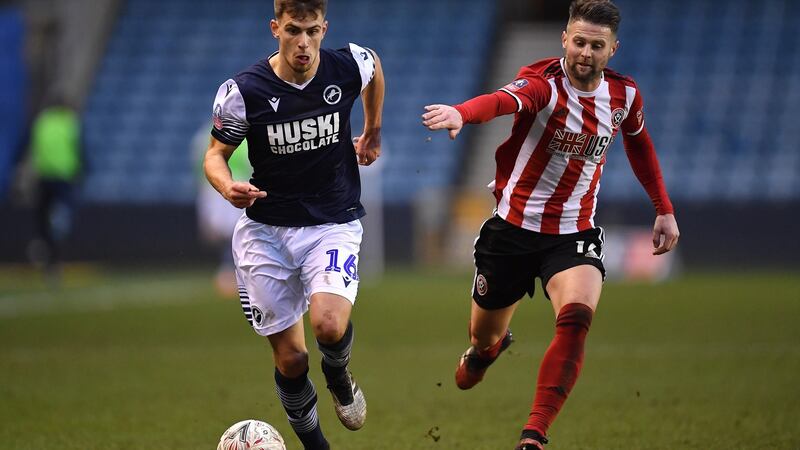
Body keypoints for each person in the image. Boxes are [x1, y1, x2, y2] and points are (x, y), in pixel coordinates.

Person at [422, 1, 679, 448]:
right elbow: (501, 101)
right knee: (483, 336)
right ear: (564, 39)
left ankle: (534, 433)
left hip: (574, 232)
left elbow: (639, 143)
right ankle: (488, 351)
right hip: (513, 231)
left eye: (596, 45)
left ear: (612, 49)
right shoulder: (544, 85)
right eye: (578, 42)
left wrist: (664, 207)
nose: (585, 52)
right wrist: (463, 113)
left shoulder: (625, 96)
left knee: (577, 318)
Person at [203, 0, 384, 448]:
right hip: (266, 232)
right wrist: (227, 187)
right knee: (291, 359)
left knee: (327, 325)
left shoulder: (346, 66)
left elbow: (374, 67)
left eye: (312, 31)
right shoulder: (243, 91)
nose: (303, 43)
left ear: (325, 28)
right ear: (275, 29)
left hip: (332, 221)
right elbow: (214, 155)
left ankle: (339, 376)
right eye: (292, 31)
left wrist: (373, 128)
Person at [192, 120, 251, 298]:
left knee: (235, 232)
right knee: (230, 232)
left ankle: (232, 270)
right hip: (224, 187)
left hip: (231, 186)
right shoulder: (208, 136)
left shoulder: (205, 135)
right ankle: (230, 271)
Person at [27, 99, 82, 285]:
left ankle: (42, 242)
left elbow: (32, 146)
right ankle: (55, 249)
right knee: (62, 216)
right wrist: (83, 169)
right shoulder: (69, 123)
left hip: (44, 176)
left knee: (42, 217)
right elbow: (79, 148)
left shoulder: (42, 123)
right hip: (64, 177)